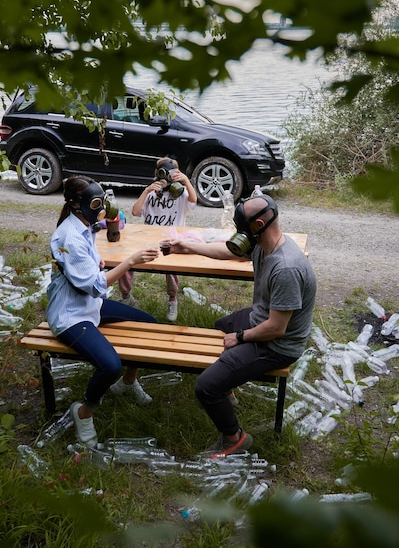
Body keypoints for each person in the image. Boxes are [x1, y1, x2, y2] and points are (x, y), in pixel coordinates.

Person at [165, 193, 316, 457]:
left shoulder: (286, 268)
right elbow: (228, 250)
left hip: (278, 344)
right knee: (220, 325)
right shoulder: (264, 243)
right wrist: (187, 246)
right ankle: (228, 383)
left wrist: (241, 336)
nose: (239, 233)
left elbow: (277, 328)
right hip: (263, 319)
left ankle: (234, 439)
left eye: (241, 226)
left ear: (258, 225)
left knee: (205, 387)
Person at [46, 176, 159, 448]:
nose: (100, 209)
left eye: (101, 203)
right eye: (95, 204)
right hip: (70, 316)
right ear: (76, 204)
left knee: (150, 325)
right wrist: (131, 261)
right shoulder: (69, 235)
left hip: (90, 306)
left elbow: (88, 266)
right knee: (109, 366)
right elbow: (95, 285)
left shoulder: (83, 225)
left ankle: (128, 383)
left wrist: (97, 259)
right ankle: (84, 412)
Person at [118, 157, 197, 322]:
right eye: (162, 173)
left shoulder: (180, 194)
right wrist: (146, 191)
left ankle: (172, 299)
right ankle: (126, 296)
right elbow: (135, 211)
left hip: (170, 241)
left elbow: (193, 201)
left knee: (171, 270)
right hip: (148, 240)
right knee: (126, 259)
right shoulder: (151, 193)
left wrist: (186, 181)